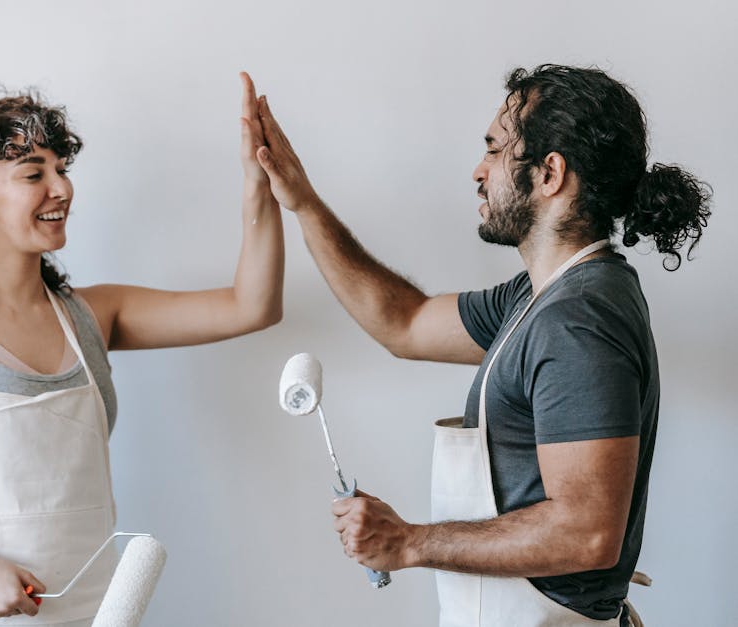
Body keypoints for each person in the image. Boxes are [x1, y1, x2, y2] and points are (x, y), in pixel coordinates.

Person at [251, 64, 710, 625]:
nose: (478, 170)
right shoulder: (542, 295)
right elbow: (405, 321)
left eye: (494, 150)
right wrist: (303, 203)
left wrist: (411, 542)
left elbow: (587, 533)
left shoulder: (578, 319)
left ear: (549, 175)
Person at [0, 73, 283, 626]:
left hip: (89, 614)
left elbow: (252, 305)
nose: (62, 188)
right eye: (33, 174)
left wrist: (258, 183)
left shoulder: (93, 317)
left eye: (62, 170)